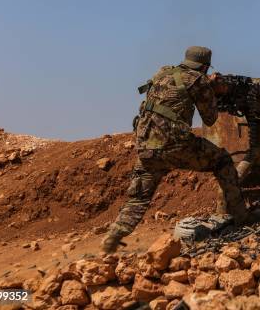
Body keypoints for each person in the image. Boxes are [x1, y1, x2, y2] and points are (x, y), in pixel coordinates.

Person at [101, 46, 250, 253]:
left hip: (146, 147)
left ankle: (113, 237)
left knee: (138, 198)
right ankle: (242, 217)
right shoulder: (198, 81)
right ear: (205, 66)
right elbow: (210, 119)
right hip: (176, 146)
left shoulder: (162, 72)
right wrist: (213, 90)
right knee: (223, 161)